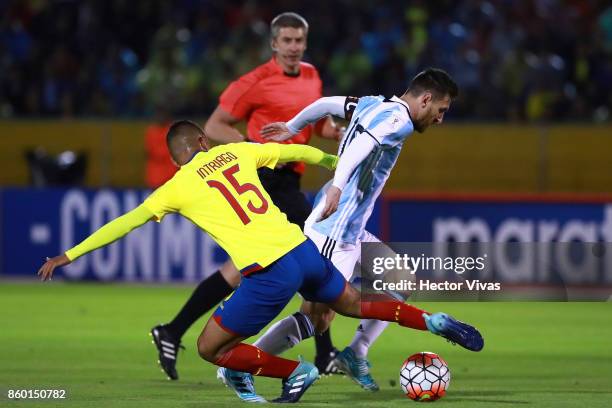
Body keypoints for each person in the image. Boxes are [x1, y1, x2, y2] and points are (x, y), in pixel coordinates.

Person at [38, 120, 483, 403]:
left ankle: (296, 371)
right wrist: (336, 162)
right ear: (202, 141)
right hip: (303, 250)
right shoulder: (238, 152)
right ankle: (435, 320)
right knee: (354, 302)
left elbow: (123, 223)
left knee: (211, 348)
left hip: (269, 273)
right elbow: (298, 153)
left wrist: (69, 254)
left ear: (177, 158)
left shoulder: (173, 188)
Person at [221, 68, 466, 398]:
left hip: (351, 229)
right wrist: (337, 187)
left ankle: (355, 353)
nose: (440, 119)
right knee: (317, 319)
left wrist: (293, 127)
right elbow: (360, 145)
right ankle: (238, 365)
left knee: (402, 281)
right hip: (332, 232)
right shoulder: (399, 121)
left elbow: (324, 104)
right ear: (425, 99)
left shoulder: (370, 103)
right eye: (441, 110)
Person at [150, 11, 343, 381]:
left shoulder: (311, 75)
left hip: (290, 180)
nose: (293, 47)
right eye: (286, 41)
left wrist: (334, 130)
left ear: (305, 42)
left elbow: (314, 120)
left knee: (244, 269)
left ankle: (172, 331)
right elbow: (214, 124)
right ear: (273, 44)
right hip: (267, 177)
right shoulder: (254, 82)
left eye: (298, 41)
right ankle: (325, 353)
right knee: (312, 255)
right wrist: (251, 147)